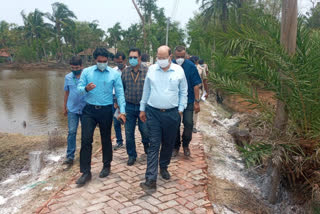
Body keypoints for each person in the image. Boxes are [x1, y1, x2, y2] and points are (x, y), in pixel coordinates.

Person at [76, 47, 126, 187]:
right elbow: (79, 90)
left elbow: (120, 93)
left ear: (108, 60)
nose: (102, 63)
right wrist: (86, 89)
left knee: (106, 139)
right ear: (95, 60)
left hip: (106, 110)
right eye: (100, 61)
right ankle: (85, 172)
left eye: (105, 61)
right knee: (86, 139)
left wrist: (122, 111)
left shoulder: (114, 74)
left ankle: (106, 165)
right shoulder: (86, 72)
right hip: (89, 110)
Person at [139, 45, 188, 190]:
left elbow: (184, 91)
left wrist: (180, 109)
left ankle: (164, 166)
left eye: (163, 58)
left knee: (168, 143)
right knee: (154, 144)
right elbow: (146, 89)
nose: (161, 60)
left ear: (170, 57)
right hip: (153, 112)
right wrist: (142, 108)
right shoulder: (152, 70)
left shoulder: (179, 71)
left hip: (172, 113)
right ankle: (150, 179)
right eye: (158, 58)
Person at [122, 48, 150, 166]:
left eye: (135, 57)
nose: (132, 60)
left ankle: (147, 148)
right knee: (129, 133)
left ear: (140, 58)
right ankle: (131, 155)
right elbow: (121, 89)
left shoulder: (147, 71)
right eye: (130, 57)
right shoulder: (125, 72)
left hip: (143, 107)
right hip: (129, 106)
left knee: (145, 130)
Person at [172, 46, 202, 157]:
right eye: (177, 56)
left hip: (188, 100)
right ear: (174, 55)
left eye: (182, 56)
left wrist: (196, 101)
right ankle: (175, 146)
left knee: (188, 123)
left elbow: (196, 85)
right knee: (175, 124)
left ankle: (185, 145)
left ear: (185, 55)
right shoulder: (171, 65)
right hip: (174, 101)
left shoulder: (191, 66)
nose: (179, 58)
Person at [62, 56, 86, 167]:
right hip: (72, 109)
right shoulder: (68, 77)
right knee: (72, 132)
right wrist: (64, 106)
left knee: (86, 133)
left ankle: (84, 154)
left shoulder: (86, 76)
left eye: (76, 67)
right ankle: (70, 156)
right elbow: (66, 92)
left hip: (85, 108)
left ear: (81, 66)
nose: (74, 69)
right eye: (72, 67)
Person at [112, 51, 126, 150]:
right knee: (116, 121)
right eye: (117, 62)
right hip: (114, 98)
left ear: (124, 60)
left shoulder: (129, 71)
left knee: (127, 121)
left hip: (126, 98)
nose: (119, 63)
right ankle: (119, 141)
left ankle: (130, 141)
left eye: (120, 61)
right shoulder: (113, 71)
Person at [191, 57, 209, 133]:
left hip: (198, 90)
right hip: (188, 90)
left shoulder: (201, 69)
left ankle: (194, 126)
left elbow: (204, 80)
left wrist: (206, 91)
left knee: (196, 107)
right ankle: (188, 124)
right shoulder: (188, 67)